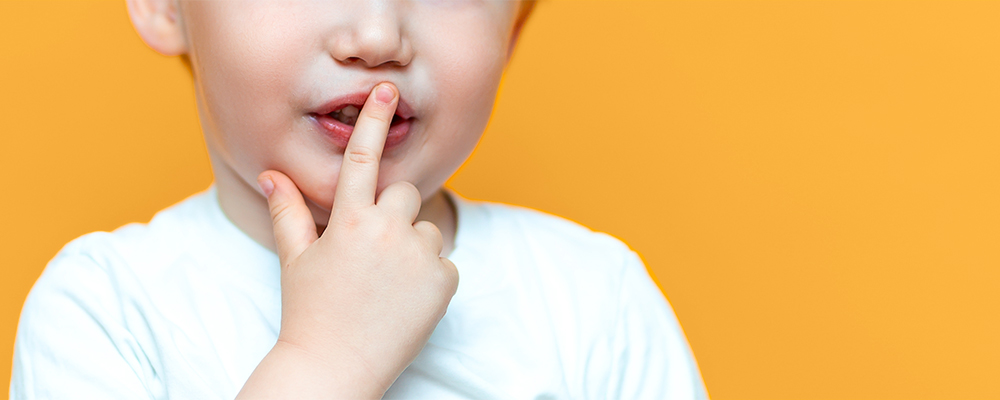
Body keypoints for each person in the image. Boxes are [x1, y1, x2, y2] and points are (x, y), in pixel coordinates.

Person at [11, 1, 708, 398]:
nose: (377, 36)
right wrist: (324, 362)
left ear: (514, 26)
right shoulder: (106, 312)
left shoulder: (594, 300)